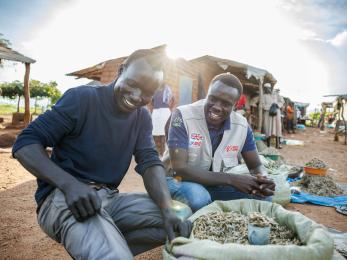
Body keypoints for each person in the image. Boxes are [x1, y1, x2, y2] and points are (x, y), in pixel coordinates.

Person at [12, 49, 191, 259]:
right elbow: (25, 143)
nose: (137, 96)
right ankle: (107, 250)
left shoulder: (142, 117)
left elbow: (150, 161)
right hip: (64, 198)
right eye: (133, 84)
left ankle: (106, 247)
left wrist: (167, 208)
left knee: (181, 218)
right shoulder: (82, 99)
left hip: (109, 199)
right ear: (122, 70)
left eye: (148, 92)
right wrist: (70, 185)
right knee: (111, 254)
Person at [165, 73, 275, 212]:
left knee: (262, 197)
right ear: (207, 95)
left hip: (215, 186)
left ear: (235, 105)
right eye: (213, 99)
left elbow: (256, 165)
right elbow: (178, 169)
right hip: (178, 182)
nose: (217, 107)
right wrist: (232, 180)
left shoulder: (241, 125)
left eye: (226, 104)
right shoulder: (182, 116)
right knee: (199, 198)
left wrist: (262, 179)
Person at [150, 82, 174, 156]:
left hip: (165, 112)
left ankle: (163, 154)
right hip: (156, 112)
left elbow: (172, 99)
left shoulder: (167, 89)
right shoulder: (153, 90)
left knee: (164, 133)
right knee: (155, 133)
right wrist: (153, 110)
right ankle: (156, 152)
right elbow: (152, 101)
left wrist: (170, 108)